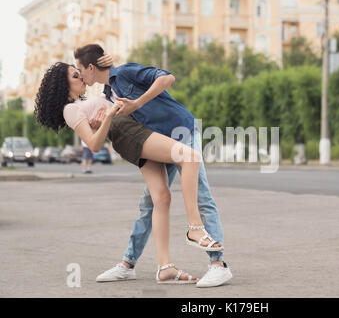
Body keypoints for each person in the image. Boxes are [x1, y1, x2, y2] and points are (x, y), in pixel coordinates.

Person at [34, 60, 223, 284]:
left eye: (80, 73)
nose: (81, 78)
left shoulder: (83, 102)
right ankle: (195, 228)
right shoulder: (70, 110)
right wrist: (108, 118)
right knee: (189, 156)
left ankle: (166, 267)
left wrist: (108, 65)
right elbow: (94, 145)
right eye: (75, 76)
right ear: (62, 86)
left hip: (133, 130)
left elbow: (113, 90)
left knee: (161, 197)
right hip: (129, 133)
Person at [76, 44, 232, 287]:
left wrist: (137, 102)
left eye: (80, 69)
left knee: (202, 196)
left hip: (183, 132)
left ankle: (218, 265)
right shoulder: (108, 94)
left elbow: (167, 77)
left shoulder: (125, 72)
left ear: (91, 67)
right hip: (161, 143)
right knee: (151, 202)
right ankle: (127, 264)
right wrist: (101, 121)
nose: (80, 75)